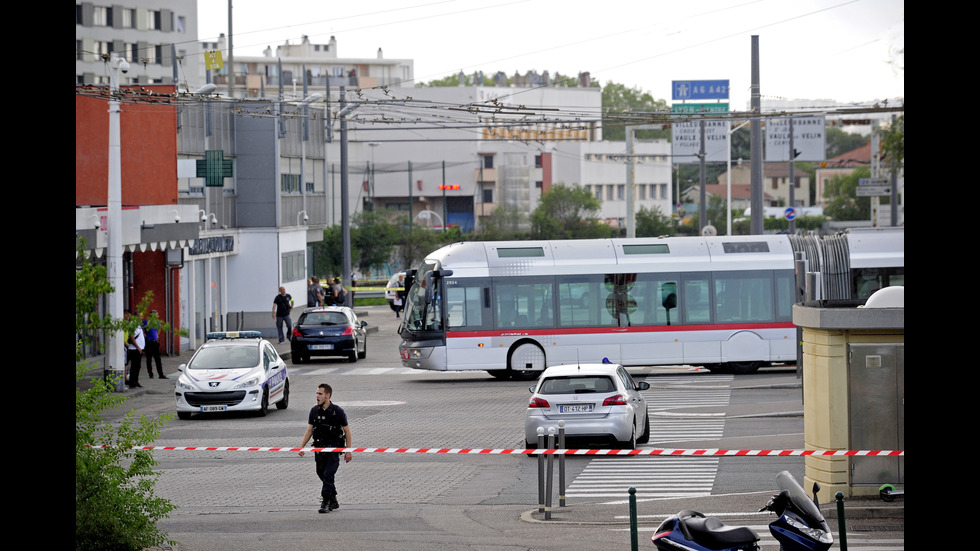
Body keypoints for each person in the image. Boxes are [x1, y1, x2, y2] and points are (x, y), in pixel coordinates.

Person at [298, 383, 352, 513]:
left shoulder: (337, 411)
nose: (317, 396)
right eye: (316, 393)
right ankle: (333, 500)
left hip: (333, 449)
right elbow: (309, 430)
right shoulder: (314, 411)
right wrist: (301, 446)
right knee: (320, 473)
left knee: (328, 475)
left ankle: (326, 502)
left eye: (320, 394)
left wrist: (348, 451)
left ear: (328, 395)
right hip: (319, 448)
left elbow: (347, 431)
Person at [125, 310, 145, 388]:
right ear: (136, 316)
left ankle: (135, 381)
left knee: (138, 366)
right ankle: (132, 382)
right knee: (134, 366)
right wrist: (138, 347)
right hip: (134, 349)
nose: (142, 318)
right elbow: (132, 337)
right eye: (140, 316)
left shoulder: (138, 324)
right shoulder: (133, 324)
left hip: (139, 348)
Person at [143, 310, 166, 379]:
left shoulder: (157, 322)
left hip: (155, 342)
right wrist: (145, 335)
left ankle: (161, 374)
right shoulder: (147, 321)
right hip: (149, 342)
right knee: (149, 359)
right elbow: (141, 328)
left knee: (158, 359)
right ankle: (150, 374)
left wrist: (156, 336)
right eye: (156, 315)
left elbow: (160, 328)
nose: (158, 316)